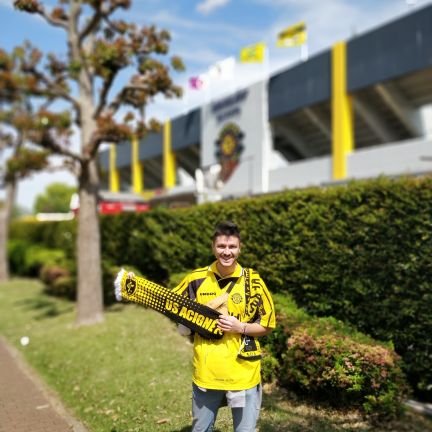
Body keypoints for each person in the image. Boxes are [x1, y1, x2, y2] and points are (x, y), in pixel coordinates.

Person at [172, 220, 276, 432]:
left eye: (232, 247)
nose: (226, 252)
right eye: (221, 246)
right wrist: (186, 323)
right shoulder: (196, 279)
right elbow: (171, 304)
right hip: (207, 374)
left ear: (240, 248)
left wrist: (240, 327)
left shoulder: (253, 281)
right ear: (213, 247)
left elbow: (268, 324)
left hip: (243, 376)